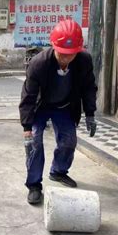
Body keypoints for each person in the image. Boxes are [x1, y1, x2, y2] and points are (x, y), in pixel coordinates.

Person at [19, 19, 98, 205]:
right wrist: (27, 128)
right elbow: (28, 96)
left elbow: (88, 88)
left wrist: (90, 113)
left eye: (70, 55)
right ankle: (34, 185)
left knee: (69, 141)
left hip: (64, 106)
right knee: (35, 143)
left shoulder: (83, 61)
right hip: (41, 107)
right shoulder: (39, 64)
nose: (65, 59)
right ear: (53, 46)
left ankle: (58, 171)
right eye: (61, 53)